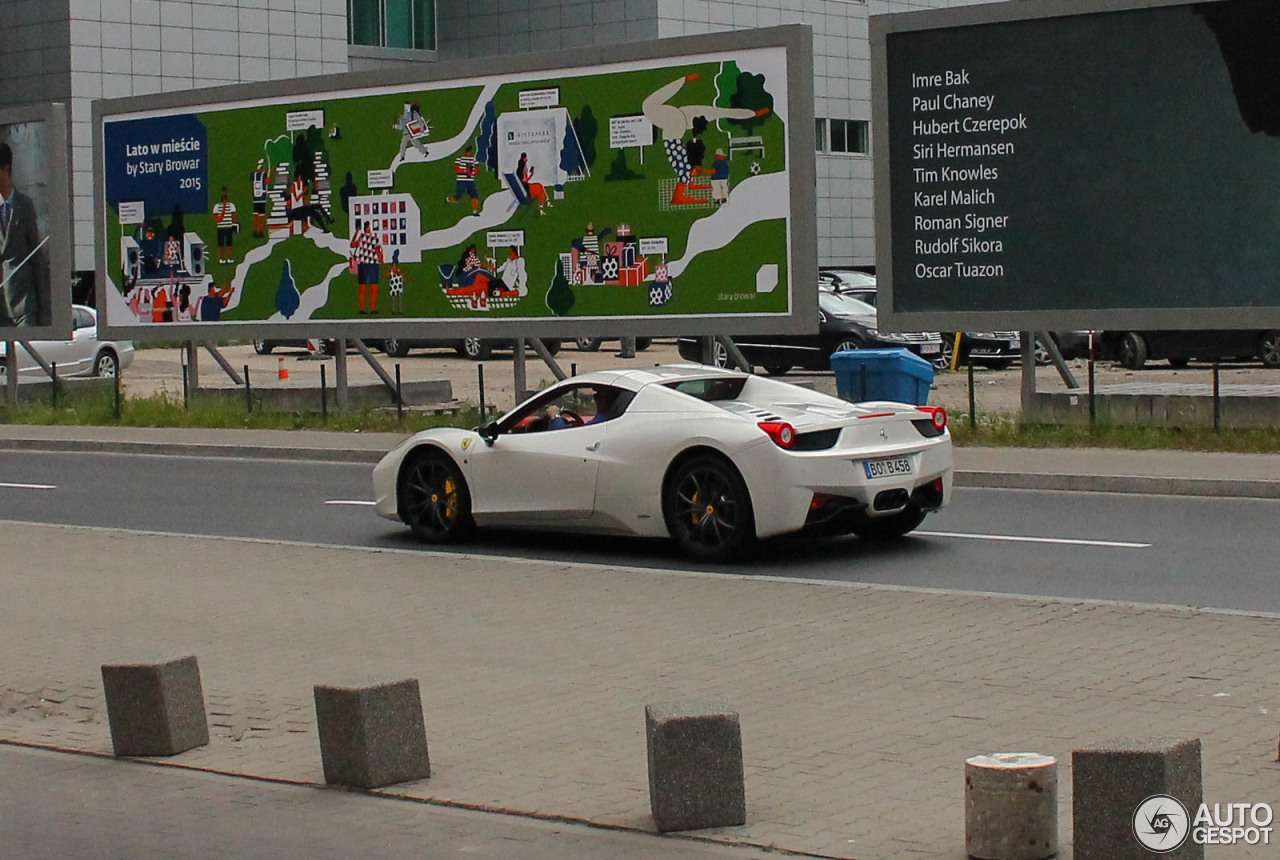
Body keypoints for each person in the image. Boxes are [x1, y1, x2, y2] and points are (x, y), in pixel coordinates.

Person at [0, 141, 49, 326]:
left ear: (5, 169)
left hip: (24, 306)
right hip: (1, 308)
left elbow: (37, 259)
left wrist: (43, 311)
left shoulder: (24, 206)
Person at [350, 221, 383, 314]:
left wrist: (356, 232)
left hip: (364, 264)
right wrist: (381, 258)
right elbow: (378, 251)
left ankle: (364, 309)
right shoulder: (374, 238)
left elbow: (352, 244)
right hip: (371, 264)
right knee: (371, 287)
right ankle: (371, 309)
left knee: (365, 287)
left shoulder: (362, 237)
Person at [446, 146, 481, 216]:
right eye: (468, 152)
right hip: (461, 180)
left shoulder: (474, 160)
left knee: (474, 195)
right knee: (459, 195)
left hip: (470, 181)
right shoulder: (460, 159)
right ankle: (449, 199)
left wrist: (473, 173)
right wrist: (466, 171)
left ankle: (475, 211)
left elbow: (476, 170)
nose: (469, 154)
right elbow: (457, 169)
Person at [212, 186, 237, 263]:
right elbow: (217, 219)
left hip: (228, 227)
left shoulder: (231, 205)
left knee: (229, 244)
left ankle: (228, 258)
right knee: (221, 244)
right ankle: (221, 258)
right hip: (221, 228)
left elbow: (234, 217)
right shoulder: (217, 206)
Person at [250, 160, 269, 237]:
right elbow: (268, 182)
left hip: (255, 199)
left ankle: (255, 231)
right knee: (261, 216)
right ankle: (260, 231)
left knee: (256, 216)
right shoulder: (264, 175)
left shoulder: (253, 175)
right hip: (262, 199)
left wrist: (254, 194)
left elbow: (251, 186)